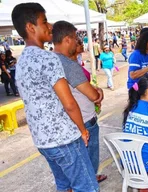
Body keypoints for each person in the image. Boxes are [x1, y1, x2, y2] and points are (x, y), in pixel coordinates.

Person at [11, 3, 99, 192]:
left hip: (42, 140)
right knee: (88, 187)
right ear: (30, 27)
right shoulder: (48, 59)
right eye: (44, 21)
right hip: (64, 138)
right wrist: (83, 130)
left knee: (64, 185)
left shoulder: (22, 61)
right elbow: (69, 103)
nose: (50, 26)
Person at [52, 20, 107, 183]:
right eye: (75, 37)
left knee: (71, 170)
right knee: (87, 170)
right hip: (84, 121)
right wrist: (99, 92)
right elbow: (93, 95)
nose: (78, 41)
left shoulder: (49, 61)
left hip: (65, 123)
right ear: (67, 39)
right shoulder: (68, 64)